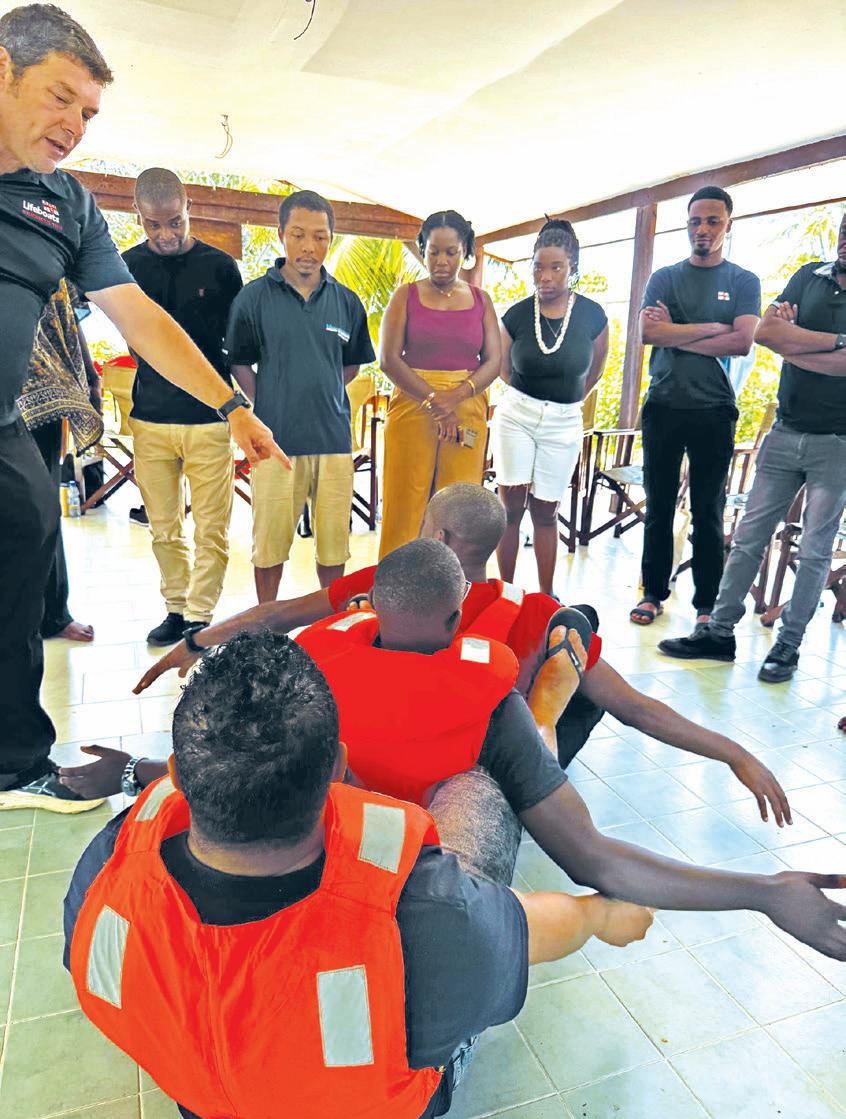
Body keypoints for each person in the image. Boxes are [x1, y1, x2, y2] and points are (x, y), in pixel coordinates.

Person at [68, 548, 846, 966]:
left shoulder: (329, 650)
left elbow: (258, 745)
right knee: (523, 754)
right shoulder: (509, 663)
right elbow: (601, 848)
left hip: (335, 829)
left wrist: (149, 755)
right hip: (486, 773)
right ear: (459, 606)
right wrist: (762, 888)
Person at [64, 630, 653, 1119]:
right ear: (340, 768)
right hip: (368, 1110)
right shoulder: (427, 918)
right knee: (476, 788)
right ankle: (540, 726)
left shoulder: (107, 867)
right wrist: (599, 915)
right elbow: (527, 932)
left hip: (205, 1102)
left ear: (175, 774)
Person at [0, 3, 285, 816]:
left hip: (6, 425)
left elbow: (143, 322)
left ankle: (14, 761)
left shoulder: (66, 205)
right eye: (60, 97)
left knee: (23, 558)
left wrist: (232, 406)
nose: (73, 125)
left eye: (88, 113)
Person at [125, 485, 790, 826]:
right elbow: (637, 707)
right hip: (484, 781)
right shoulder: (530, 612)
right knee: (575, 635)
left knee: (572, 630)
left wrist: (194, 642)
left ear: (440, 535)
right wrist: (732, 752)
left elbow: (277, 615)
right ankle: (555, 700)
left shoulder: (389, 584)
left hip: (364, 771)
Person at [659, 213, 846, 682]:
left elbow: (794, 346)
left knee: (815, 550)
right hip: (784, 432)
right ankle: (718, 633)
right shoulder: (809, 276)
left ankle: (788, 645)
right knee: (747, 539)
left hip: (838, 443)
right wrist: (836, 342)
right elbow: (765, 335)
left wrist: (795, 345)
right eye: (845, 229)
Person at [226, 188, 375, 602]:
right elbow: (239, 361)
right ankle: (267, 624)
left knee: (334, 546)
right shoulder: (254, 298)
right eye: (298, 235)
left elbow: (351, 365)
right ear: (281, 235)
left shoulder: (347, 302)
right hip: (275, 443)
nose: (309, 247)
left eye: (320, 236)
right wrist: (268, 401)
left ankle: (332, 621)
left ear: (331, 239)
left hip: (333, 441)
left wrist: (322, 391)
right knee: (269, 545)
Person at [123, 168, 244, 646]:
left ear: (188, 207)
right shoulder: (126, 268)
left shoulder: (221, 268)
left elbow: (236, 346)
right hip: (150, 418)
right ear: (137, 215)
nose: (166, 234)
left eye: (174, 222)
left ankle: (200, 613)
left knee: (212, 528)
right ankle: (175, 607)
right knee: (163, 527)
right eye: (153, 225)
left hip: (209, 420)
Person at [631, 186, 761, 628]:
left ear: (728, 225)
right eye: (695, 221)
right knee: (659, 506)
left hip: (714, 409)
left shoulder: (743, 281)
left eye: (712, 221)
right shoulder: (664, 278)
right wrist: (713, 328)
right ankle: (653, 593)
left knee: (708, 510)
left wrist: (679, 330)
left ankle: (707, 605)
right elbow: (650, 334)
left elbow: (742, 341)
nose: (702, 229)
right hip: (664, 405)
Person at [493, 218, 609, 595]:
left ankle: (546, 595)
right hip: (517, 415)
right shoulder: (515, 315)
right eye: (538, 267)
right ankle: (507, 593)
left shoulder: (593, 316)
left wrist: (563, 401)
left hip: (564, 422)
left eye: (556, 267)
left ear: (572, 268)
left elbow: (594, 371)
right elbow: (503, 368)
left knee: (545, 510)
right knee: (510, 507)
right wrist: (532, 397)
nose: (545, 276)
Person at [378, 209, 500, 558]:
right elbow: (388, 359)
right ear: (423, 250)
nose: (442, 261)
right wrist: (434, 400)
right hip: (413, 404)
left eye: (451, 252)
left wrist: (455, 397)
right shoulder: (405, 296)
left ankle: (454, 580)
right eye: (433, 252)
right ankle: (396, 580)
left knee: (459, 502)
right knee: (405, 497)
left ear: (465, 252)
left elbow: (494, 361)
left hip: (466, 408)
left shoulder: (481, 300)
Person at [19, 278, 99, 642]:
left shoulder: (44, 253)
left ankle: (53, 614)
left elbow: (68, 320)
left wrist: (91, 379)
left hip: (39, 400)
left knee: (43, 509)